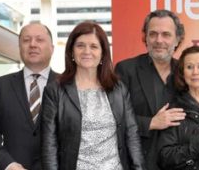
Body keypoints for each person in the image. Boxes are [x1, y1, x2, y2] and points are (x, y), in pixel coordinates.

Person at [40, 22, 144, 170]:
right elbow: (49, 145)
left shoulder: (118, 88)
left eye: (94, 46)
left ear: (103, 53)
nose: (86, 51)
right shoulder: (55, 91)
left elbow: (131, 135)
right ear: (71, 51)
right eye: (80, 45)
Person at [115, 9, 186, 170]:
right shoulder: (126, 70)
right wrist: (151, 123)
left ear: (177, 39)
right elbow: (114, 117)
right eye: (153, 34)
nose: (158, 40)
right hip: (139, 163)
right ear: (145, 38)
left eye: (166, 34)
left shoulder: (187, 72)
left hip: (180, 163)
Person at [0, 22, 57, 170]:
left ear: (52, 48)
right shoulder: (0, 86)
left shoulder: (68, 87)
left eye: (39, 40)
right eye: (26, 40)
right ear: (20, 48)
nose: (33, 44)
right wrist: (8, 164)